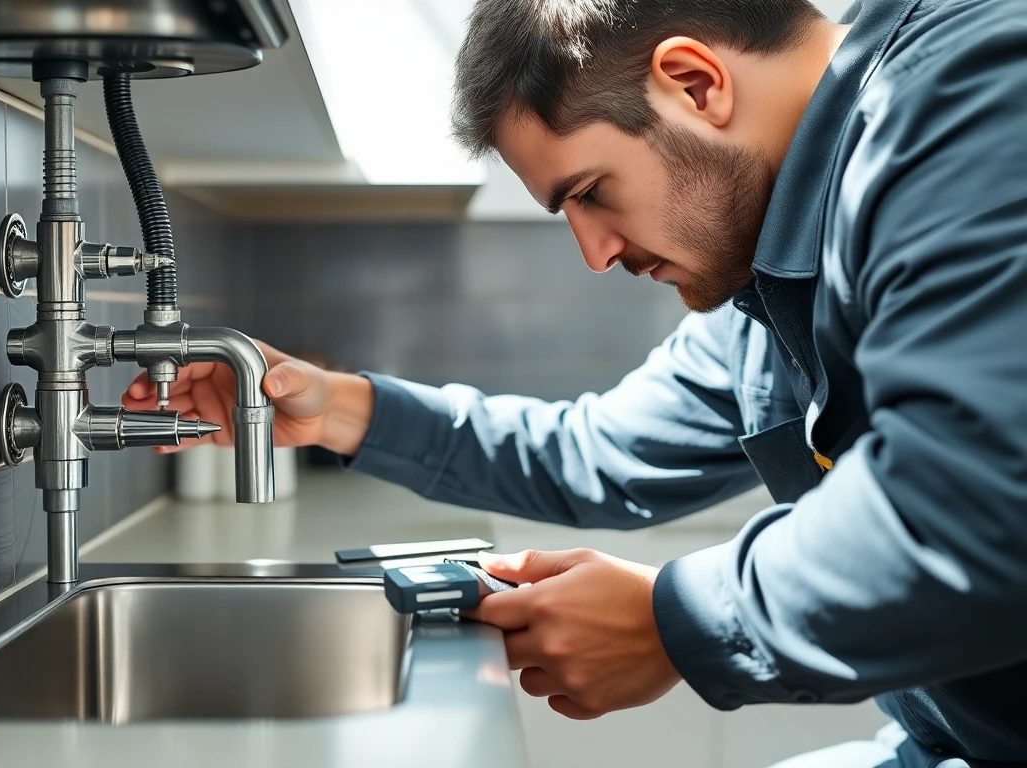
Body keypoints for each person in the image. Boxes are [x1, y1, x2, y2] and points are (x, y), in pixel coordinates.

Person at [123, 0, 1027, 763]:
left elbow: (975, 512)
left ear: (695, 84)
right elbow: (604, 453)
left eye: (590, 191)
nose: (594, 253)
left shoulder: (967, 99)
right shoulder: (769, 273)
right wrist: (337, 409)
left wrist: (674, 622)